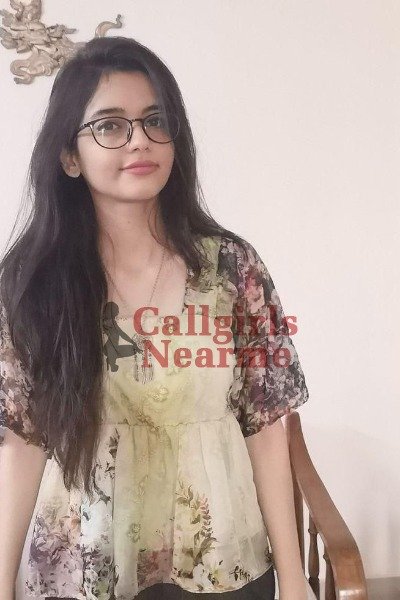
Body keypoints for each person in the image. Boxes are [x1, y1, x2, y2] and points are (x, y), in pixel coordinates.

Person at [0, 36, 310, 600]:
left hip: (220, 557)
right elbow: (23, 440)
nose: (139, 139)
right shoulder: (32, 282)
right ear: (69, 157)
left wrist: (294, 579)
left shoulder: (231, 268)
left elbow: (266, 426)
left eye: (155, 120)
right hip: (87, 563)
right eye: (110, 126)